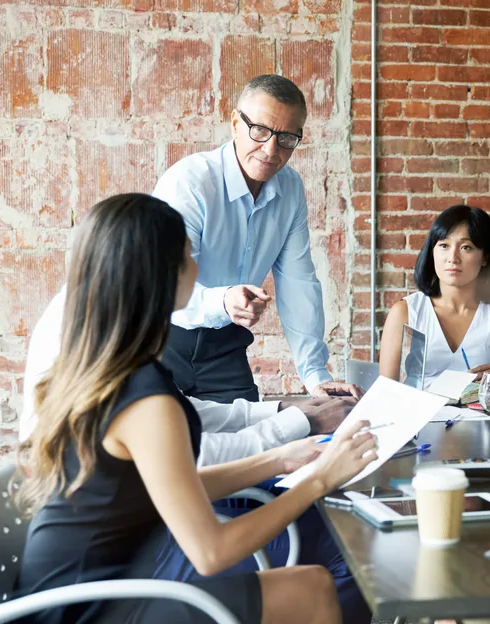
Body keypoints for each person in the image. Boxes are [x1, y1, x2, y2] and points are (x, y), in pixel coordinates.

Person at [2, 193, 378, 624]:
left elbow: (164, 488)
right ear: (161, 275)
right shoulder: (144, 397)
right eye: (187, 257)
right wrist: (321, 480)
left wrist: (282, 459)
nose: (197, 270)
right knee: (315, 587)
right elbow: (210, 552)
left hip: (75, 613)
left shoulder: (103, 367)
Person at [378, 204, 490, 624]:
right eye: (444, 245)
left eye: (467, 246)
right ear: (431, 252)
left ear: (484, 257)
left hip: (484, 443)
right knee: (436, 474)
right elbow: (387, 395)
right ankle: (446, 605)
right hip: (418, 442)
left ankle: (462, 590)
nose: (453, 257)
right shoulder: (406, 311)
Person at [152, 73, 360, 403]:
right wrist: (222, 301)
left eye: (287, 137)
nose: (270, 149)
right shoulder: (190, 183)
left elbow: (298, 282)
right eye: (260, 130)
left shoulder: (290, 190)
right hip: (159, 342)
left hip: (226, 346)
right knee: (164, 449)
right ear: (235, 123)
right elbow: (163, 285)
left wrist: (315, 374)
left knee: (253, 442)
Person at [19, 285, 355, 464]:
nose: (194, 280)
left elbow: (180, 418)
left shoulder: (103, 318)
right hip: (125, 557)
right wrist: (298, 428)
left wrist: (287, 413)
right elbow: (190, 456)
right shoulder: (107, 341)